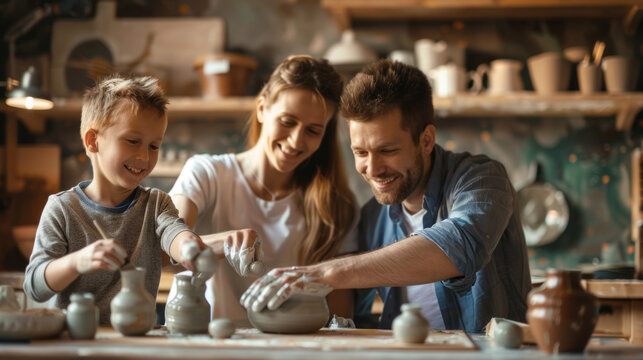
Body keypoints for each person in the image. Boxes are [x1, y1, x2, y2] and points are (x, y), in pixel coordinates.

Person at [241, 59, 531, 333]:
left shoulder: (482, 179)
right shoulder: (371, 216)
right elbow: (361, 318)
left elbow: (460, 244)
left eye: (387, 151)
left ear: (426, 140)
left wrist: (324, 273)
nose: (373, 169)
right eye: (360, 153)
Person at [168, 55, 358, 325]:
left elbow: (339, 317)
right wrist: (222, 244)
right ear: (261, 109)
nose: (295, 141)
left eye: (313, 131)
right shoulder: (206, 173)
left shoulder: (336, 204)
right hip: (209, 345)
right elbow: (164, 247)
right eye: (288, 121)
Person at [23, 75, 203, 324]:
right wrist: (78, 261)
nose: (144, 156)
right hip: (77, 344)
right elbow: (34, 286)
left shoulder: (156, 204)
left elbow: (174, 232)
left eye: (154, 146)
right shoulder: (62, 208)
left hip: (135, 341)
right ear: (92, 141)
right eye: (132, 141)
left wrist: (187, 245)